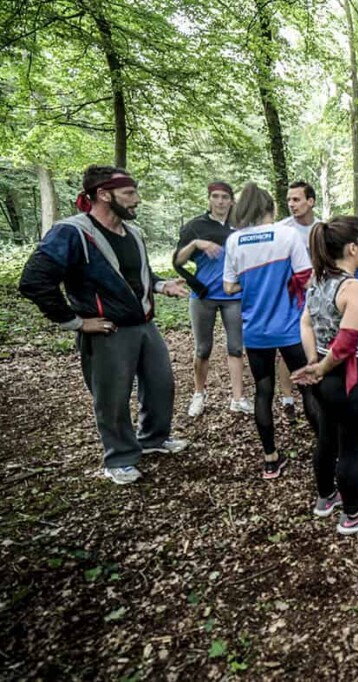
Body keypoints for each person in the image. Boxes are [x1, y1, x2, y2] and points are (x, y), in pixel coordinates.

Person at [19, 165, 189, 485]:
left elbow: (135, 277)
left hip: (144, 325)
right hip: (107, 330)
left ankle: (153, 439)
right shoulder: (72, 232)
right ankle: (120, 458)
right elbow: (34, 281)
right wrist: (75, 322)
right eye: (129, 193)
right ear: (103, 194)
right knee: (112, 397)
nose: (136, 200)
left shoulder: (132, 233)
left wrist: (162, 285)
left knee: (160, 384)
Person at [291, 215, 358, 534]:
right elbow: (347, 342)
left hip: (325, 378)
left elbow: (306, 323)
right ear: (351, 248)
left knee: (327, 439)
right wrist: (319, 366)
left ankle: (325, 498)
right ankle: (353, 516)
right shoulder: (354, 287)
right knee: (350, 450)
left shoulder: (318, 281)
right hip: (352, 379)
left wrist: (314, 362)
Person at [223, 182, 318, 480]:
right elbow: (305, 278)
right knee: (308, 387)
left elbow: (229, 286)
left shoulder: (234, 241)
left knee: (263, 392)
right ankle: (325, 447)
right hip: (290, 328)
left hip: (256, 332)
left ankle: (270, 460)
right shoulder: (287, 235)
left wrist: (252, 284)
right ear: (269, 208)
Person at [173, 181, 253, 418]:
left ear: (232, 200)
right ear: (209, 199)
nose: (220, 201)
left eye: (224, 197)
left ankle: (238, 398)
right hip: (203, 295)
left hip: (233, 295)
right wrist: (196, 244)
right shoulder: (195, 226)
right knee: (203, 348)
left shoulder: (241, 226)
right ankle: (199, 394)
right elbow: (177, 261)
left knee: (236, 347)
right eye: (215, 197)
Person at [275, 181, 318, 423]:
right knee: (288, 348)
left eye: (297, 199)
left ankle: (317, 395)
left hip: (318, 297)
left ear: (310, 201)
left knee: (316, 345)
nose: (291, 204)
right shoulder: (281, 229)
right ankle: (288, 400)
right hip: (290, 298)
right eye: (289, 200)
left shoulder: (322, 228)